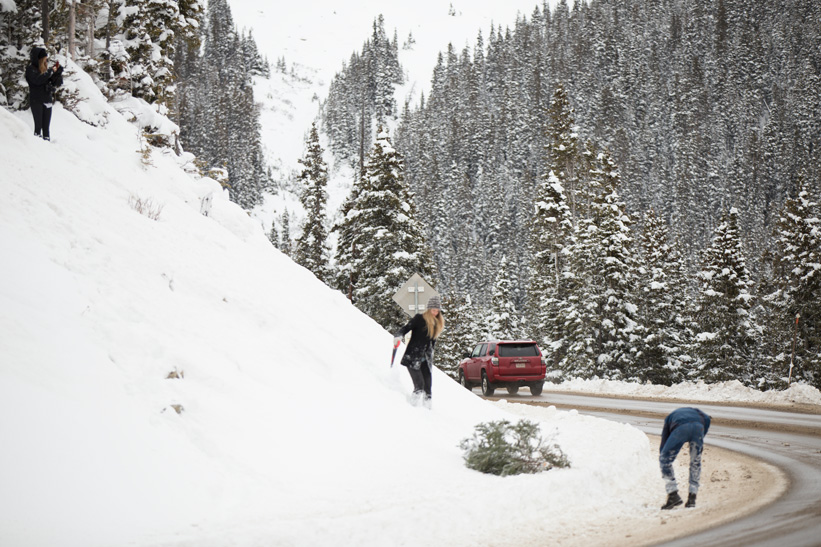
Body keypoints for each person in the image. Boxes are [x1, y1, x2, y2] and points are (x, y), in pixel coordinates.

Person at [394, 296, 445, 407]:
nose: (435, 313)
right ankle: (412, 408)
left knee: (428, 388)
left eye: (437, 311)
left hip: (425, 360)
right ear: (428, 309)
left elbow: (432, 344)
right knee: (419, 386)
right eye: (433, 310)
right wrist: (398, 336)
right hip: (412, 357)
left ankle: (428, 412)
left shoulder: (437, 323)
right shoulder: (419, 319)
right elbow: (406, 328)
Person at [660, 407, 711, 509]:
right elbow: (707, 419)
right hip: (698, 428)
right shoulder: (699, 413)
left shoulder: (669, 418)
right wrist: (700, 440)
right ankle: (692, 497)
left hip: (681, 429)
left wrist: (663, 457)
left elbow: (664, 443)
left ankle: (673, 494)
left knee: (664, 459)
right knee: (695, 462)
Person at [26, 47, 63, 141]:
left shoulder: (45, 70)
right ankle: (37, 147)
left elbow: (53, 83)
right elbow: (37, 81)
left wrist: (57, 75)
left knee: (46, 129)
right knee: (38, 127)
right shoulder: (31, 70)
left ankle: (47, 147)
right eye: (44, 59)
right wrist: (50, 72)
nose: (45, 61)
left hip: (47, 100)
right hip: (36, 101)